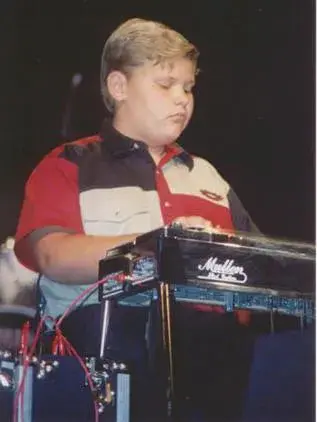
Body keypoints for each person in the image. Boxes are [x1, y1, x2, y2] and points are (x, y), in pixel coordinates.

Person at [14, 18, 260, 422]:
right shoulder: (67, 164)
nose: (182, 99)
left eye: (188, 87)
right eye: (165, 85)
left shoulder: (208, 176)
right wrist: (160, 245)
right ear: (118, 87)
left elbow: (262, 267)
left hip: (214, 372)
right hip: (103, 363)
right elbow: (51, 253)